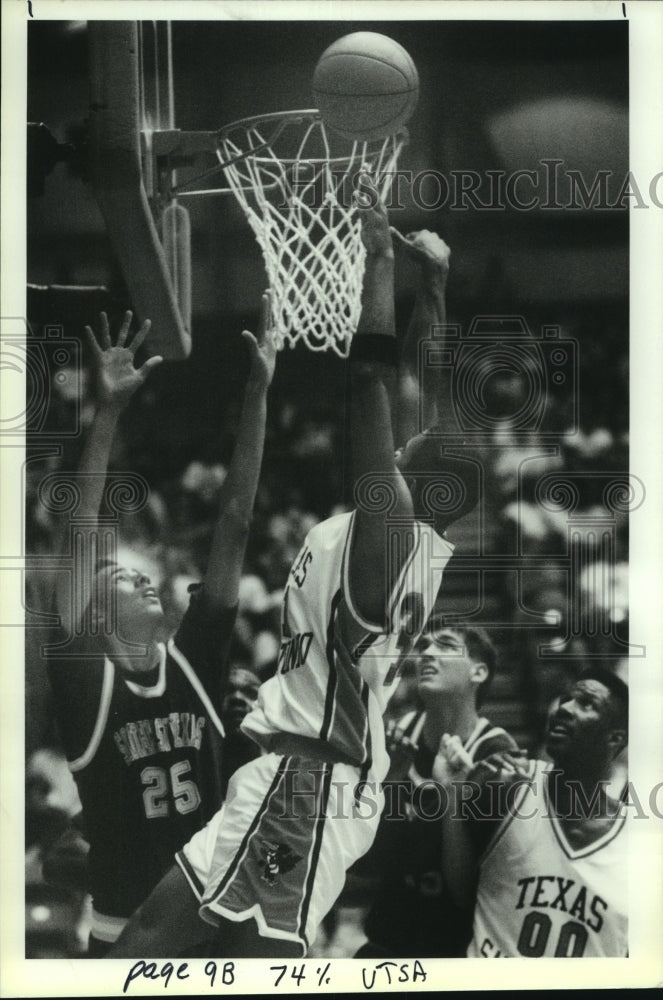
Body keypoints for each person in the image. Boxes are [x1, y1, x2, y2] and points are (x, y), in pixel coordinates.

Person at [111, 175, 474, 959]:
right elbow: (419, 388)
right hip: (291, 776)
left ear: (420, 483)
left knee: (241, 958)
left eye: (413, 450)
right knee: (150, 937)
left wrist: (376, 259)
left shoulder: (390, 529)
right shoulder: (413, 537)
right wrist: (434, 284)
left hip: (312, 784)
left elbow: (374, 379)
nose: (403, 440)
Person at [47, 298, 276, 954]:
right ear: (94, 615)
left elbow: (234, 522)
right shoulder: (85, 686)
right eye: (122, 579)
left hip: (205, 927)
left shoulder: (193, 661)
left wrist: (257, 396)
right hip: (127, 936)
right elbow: (80, 536)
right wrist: (109, 412)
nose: (143, 578)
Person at [434, 666, 629, 957]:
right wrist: (452, 792)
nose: (563, 709)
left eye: (587, 703)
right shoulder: (507, 783)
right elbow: (459, 892)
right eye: (565, 699)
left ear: (615, 739)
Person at [353, 617, 519, 958]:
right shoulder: (395, 735)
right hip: (387, 939)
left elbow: (468, 890)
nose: (426, 653)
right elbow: (366, 863)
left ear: (478, 673)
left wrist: (451, 796)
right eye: (424, 645)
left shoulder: (497, 756)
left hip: (453, 953)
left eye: (443, 645)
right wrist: (388, 784)